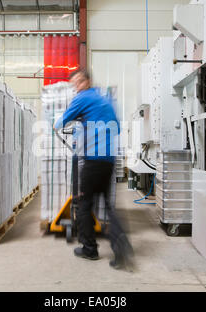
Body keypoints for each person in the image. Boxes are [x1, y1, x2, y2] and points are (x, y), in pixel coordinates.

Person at [54, 69, 134, 270]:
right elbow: (116, 126)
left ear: (87, 81)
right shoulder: (104, 98)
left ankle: (89, 248)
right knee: (107, 205)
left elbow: (60, 123)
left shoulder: (82, 98)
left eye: (79, 82)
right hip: (108, 160)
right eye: (74, 84)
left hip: (92, 159)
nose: (77, 87)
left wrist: (78, 124)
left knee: (83, 203)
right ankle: (121, 245)